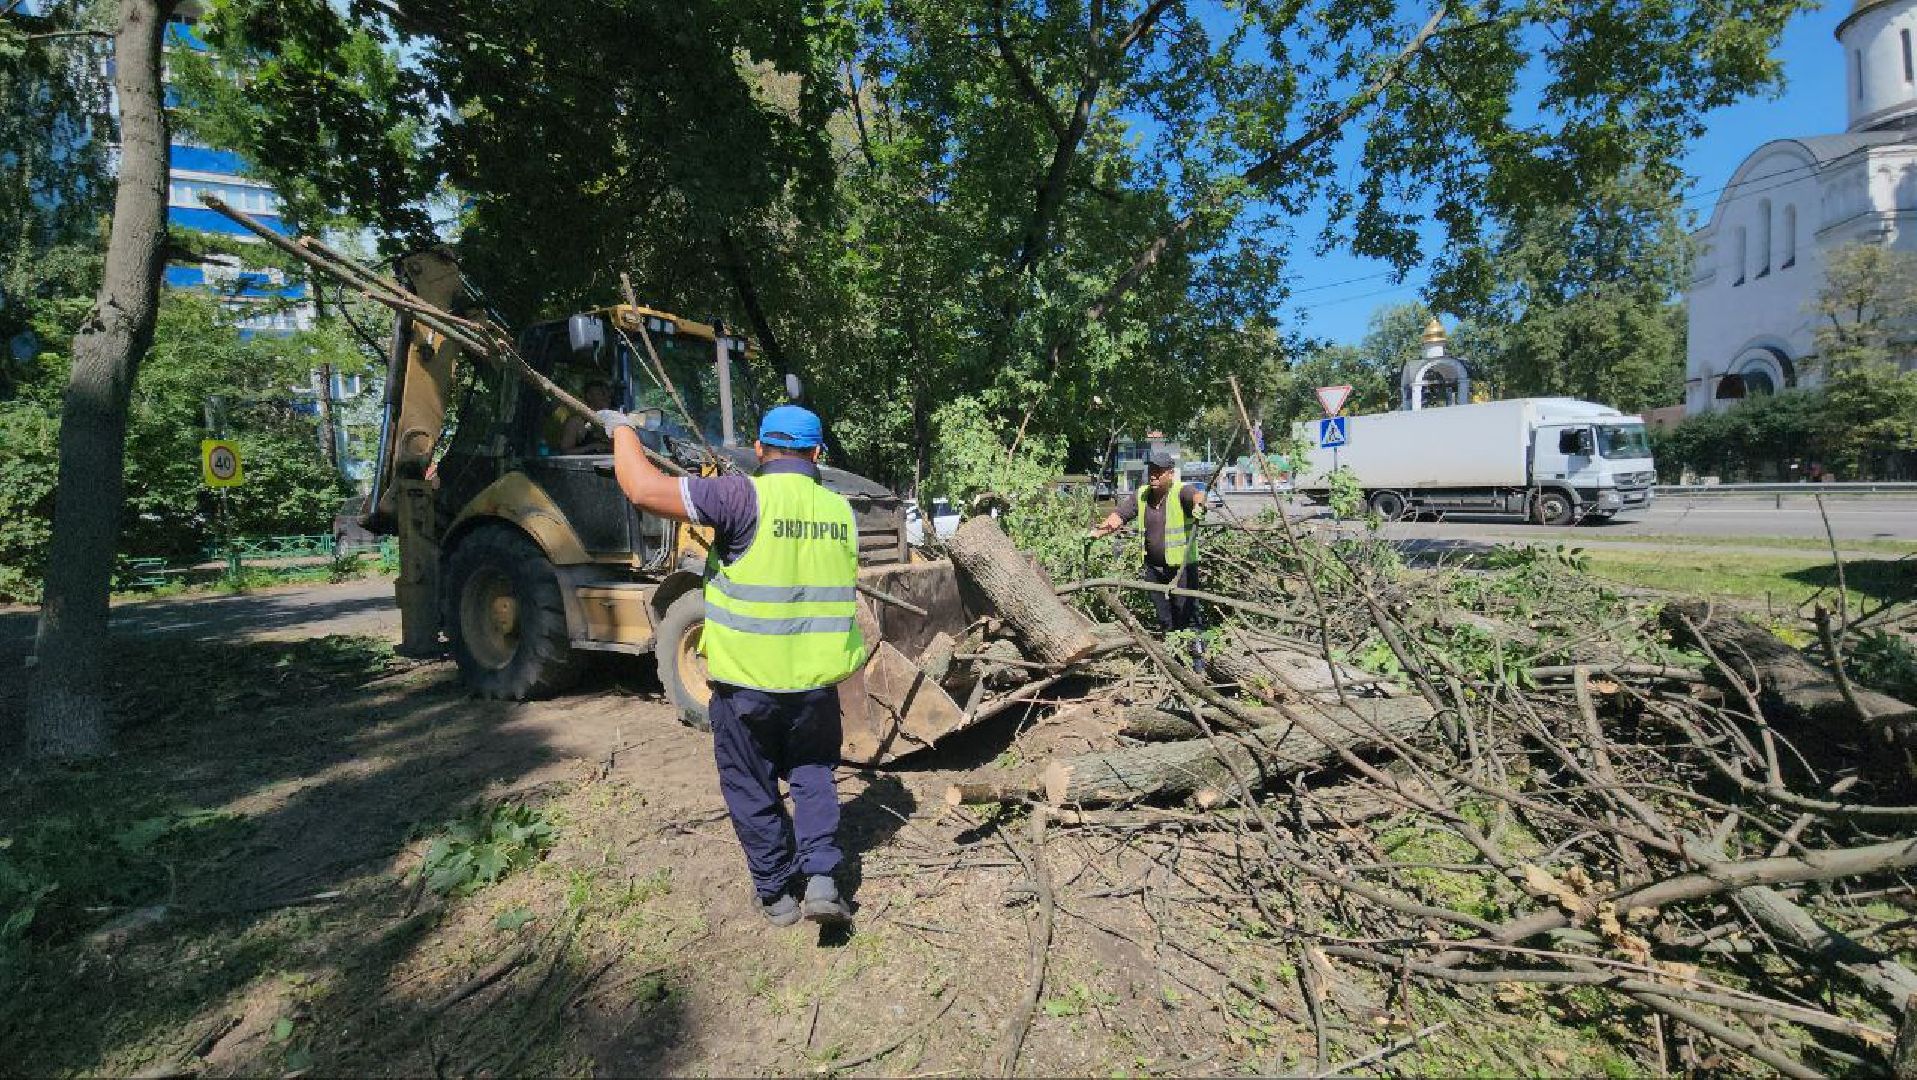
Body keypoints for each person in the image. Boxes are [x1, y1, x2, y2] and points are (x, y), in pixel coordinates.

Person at [598, 401, 862, 929]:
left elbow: (643, 490)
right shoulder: (840, 512)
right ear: (816, 454)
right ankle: (821, 879)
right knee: (813, 775)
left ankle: (777, 895)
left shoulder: (739, 496)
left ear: (760, 449)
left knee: (750, 785)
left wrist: (622, 430)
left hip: (747, 686)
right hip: (815, 687)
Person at [1089, 449, 1208, 662]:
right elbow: (1119, 516)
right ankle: (1174, 661)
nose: (1153, 475)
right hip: (1154, 569)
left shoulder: (1180, 491)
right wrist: (1098, 532)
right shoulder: (1142, 495)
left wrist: (1200, 504)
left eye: (1158, 471)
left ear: (1170, 474)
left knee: (1187, 615)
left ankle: (1198, 662)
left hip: (1181, 569)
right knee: (1165, 618)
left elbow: (1197, 495)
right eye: (1151, 470)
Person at [557, 380, 616, 454]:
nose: (606, 398)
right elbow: (565, 451)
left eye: (608, 395)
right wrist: (592, 447)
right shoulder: (577, 422)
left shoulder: (615, 420)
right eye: (601, 393)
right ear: (589, 396)